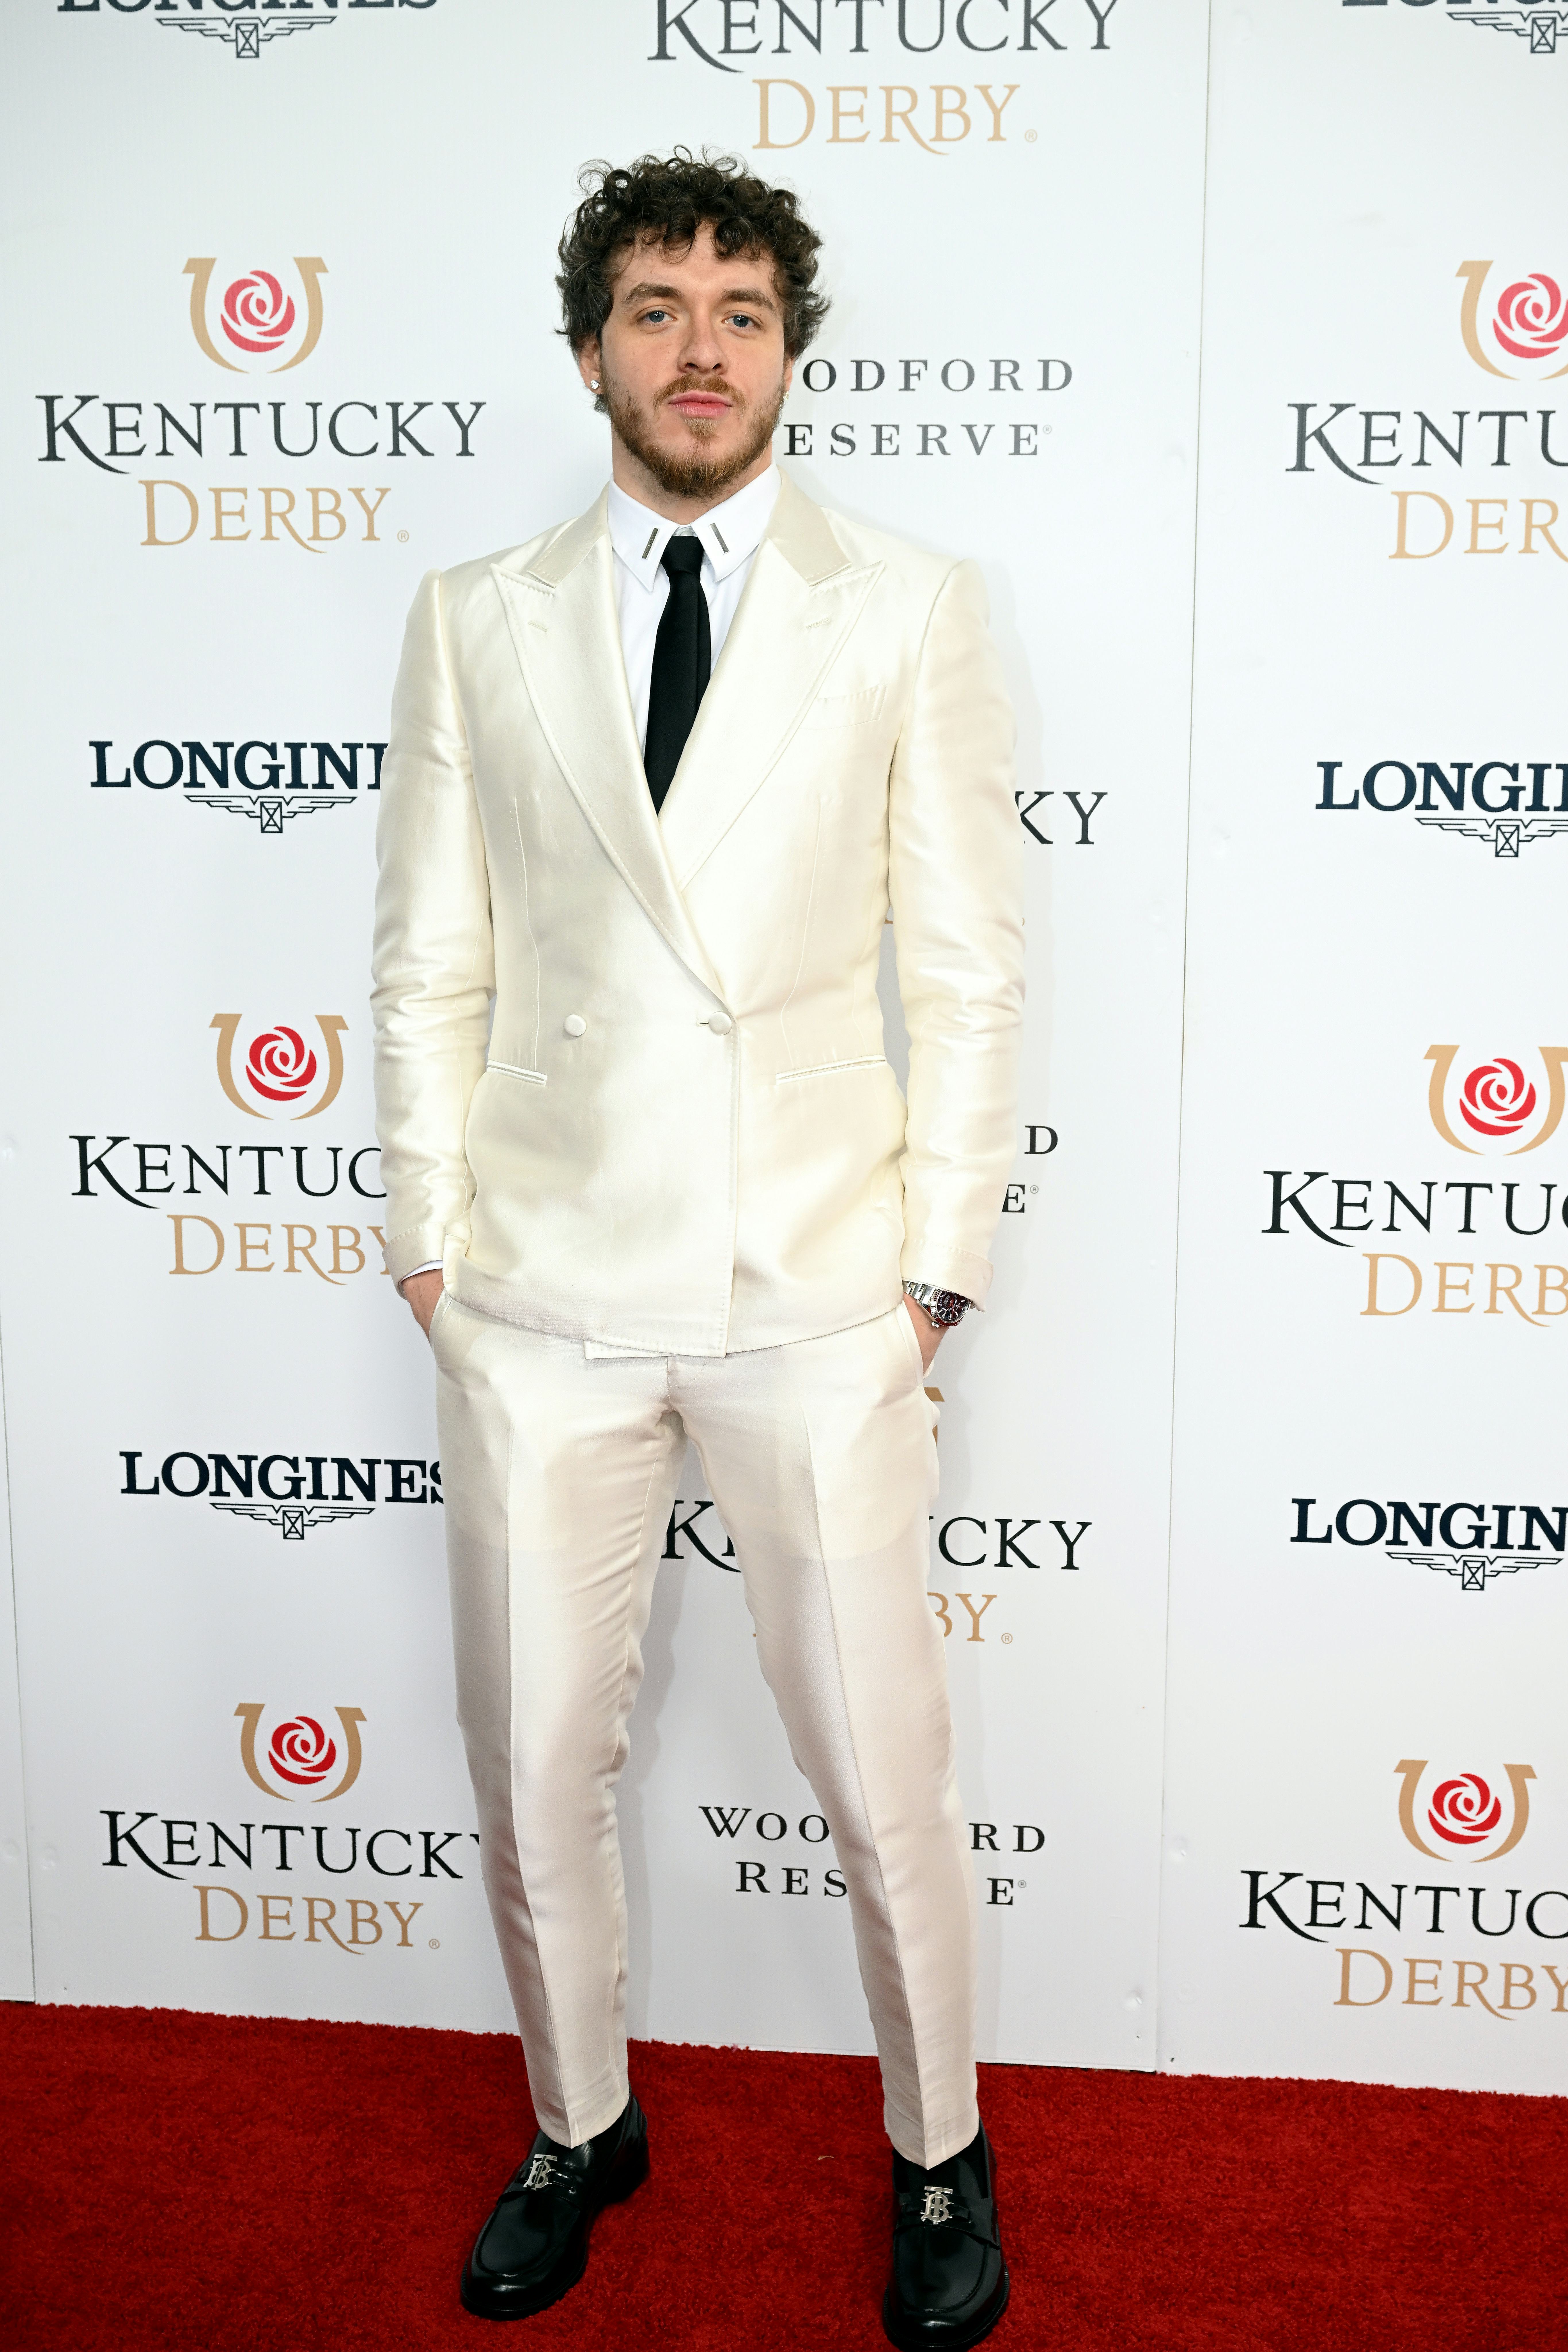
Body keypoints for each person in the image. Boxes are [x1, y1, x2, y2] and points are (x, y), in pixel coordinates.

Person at [371, 149, 1023, 2350]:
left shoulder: (909, 604)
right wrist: (428, 1241)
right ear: (590, 353)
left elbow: (968, 954)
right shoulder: (477, 613)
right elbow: (426, 960)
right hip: (540, 1295)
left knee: (879, 1769)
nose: (701, 347)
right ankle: (580, 2124)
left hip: (817, 1289)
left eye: (741, 309)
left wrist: (932, 1264)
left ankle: (940, 2148)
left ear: (789, 354)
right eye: (656, 307)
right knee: (533, 1750)